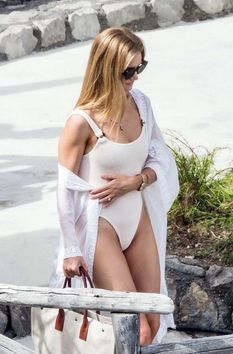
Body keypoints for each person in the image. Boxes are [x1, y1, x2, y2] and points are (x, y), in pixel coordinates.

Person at [49, 27, 179, 346]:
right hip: (102, 228)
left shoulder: (141, 105)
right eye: (127, 72)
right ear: (107, 69)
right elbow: (65, 189)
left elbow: (159, 154)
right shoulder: (81, 123)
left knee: (153, 318)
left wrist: (136, 181)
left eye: (140, 68)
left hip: (137, 218)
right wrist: (71, 249)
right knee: (135, 327)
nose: (135, 78)